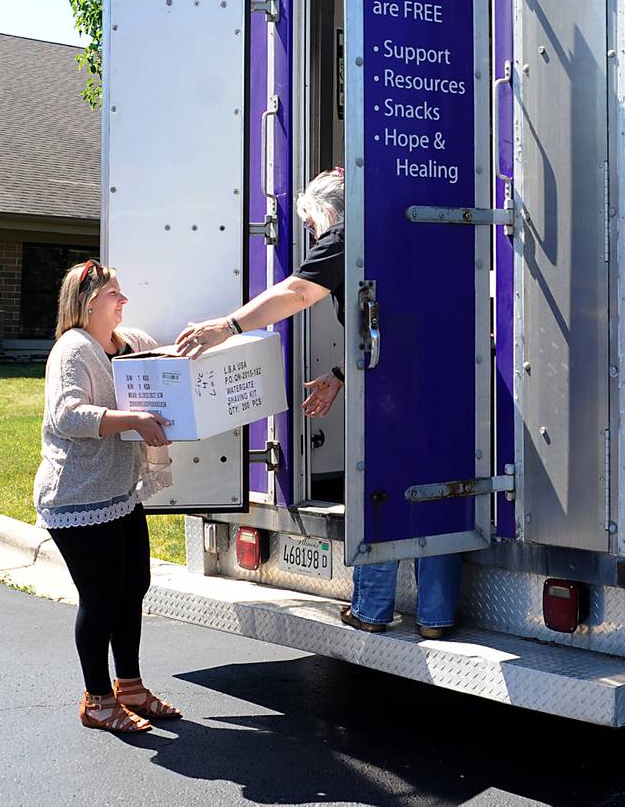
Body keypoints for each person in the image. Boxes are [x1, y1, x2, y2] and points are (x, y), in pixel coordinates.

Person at [174, 168, 461, 639]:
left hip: (390, 394)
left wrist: (226, 327)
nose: (311, 235)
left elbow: (298, 292)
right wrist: (341, 375)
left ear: (327, 211)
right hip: (441, 383)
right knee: (437, 486)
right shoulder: (402, 230)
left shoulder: (347, 234)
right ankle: (435, 616)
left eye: (309, 224)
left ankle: (371, 609)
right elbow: (394, 324)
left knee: (380, 489)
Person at [33, 261, 181, 733]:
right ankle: (97, 700)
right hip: (77, 497)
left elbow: (165, 369)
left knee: (132, 588)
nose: (124, 301)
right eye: (115, 293)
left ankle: (131, 687)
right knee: (99, 599)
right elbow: (68, 416)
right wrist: (134, 421)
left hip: (119, 493)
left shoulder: (128, 343)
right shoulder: (72, 351)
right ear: (88, 301)